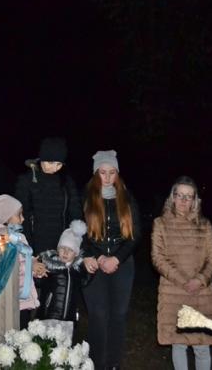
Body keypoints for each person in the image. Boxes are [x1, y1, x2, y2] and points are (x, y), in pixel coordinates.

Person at [151, 176, 212, 370]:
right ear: (172, 197)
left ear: (195, 200)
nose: (183, 200)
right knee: (179, 343)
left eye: (188, 196)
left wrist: (200, 280)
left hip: (201, 292)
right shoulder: (160, 223)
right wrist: (183, 281)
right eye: (179, 195)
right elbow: (158, 257)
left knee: (202, 345)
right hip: (173, 290)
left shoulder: (205, 225)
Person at [82, 150, 142, 370]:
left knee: (118, 315)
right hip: (94, 262)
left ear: (117, 173)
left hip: (122, 263)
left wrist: (117, 258)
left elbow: (136, 234)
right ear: (95, 173)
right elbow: (78, 232)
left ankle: (113, 363)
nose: (107, 177)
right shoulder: (86, 197)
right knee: (98, 315)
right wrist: (95, 256)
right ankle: (96, 363)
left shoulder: (127, 197)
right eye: (102, 172)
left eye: (112, 172)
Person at [0, 194, 46, 328]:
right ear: (6, 217)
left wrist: (36, 267)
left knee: (22, 330)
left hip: (21, 298)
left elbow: (24, 259)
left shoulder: (18, 236)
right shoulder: (0, 238)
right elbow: (5, 266)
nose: (23, 219)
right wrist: (30, 267)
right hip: (9, 299)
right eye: (19, 214)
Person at [15, 137, 82, 255]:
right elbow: (20, 215)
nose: (54, 168)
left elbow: (75, 212)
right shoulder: (26, 181)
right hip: (34, 243)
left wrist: (73, 241)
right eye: (50, 162)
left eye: (59, 164)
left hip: (61, 244)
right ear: (42, 158)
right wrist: (27, 248)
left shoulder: (66, 182)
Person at [35, 219, 87, 340]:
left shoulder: (76, 271)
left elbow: (85, 281)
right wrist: (37, 274)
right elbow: (39, 282)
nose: (65, 252)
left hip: (68, 318)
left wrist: (88, 269)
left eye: (70, 250)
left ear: (76, 254)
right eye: (63, 248)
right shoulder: (49, 266)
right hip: (49, 315)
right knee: (47, 344)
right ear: (58, 249)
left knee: (64, 347)